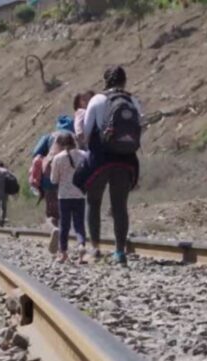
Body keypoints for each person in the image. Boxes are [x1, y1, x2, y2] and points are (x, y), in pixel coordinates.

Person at [75, 66, 143, 265]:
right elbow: (139, 130)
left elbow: (86, 132)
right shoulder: (133, 101)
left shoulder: (97, 100)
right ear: (124, 81)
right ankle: (120, 252)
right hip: (126, 160)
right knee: (120, 206)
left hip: (100, 159)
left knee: (93, 202)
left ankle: (95, 249)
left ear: (105, 81)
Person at [30, 115, 74, 252]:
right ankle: (64, 242)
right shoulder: (75, 138)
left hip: (50, 177)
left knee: (51, 214)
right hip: (70, 179)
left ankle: (54, 229)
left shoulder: (49, 136)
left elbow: (35, 153)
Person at [49, 132, 87, 263]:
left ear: (60, 144)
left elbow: (53, 180)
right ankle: (81, 247)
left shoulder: (58, 158)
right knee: (79, 224)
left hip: (64, 196)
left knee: (64, 225)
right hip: (80, 194)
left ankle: (63, 253)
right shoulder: (83, 155)